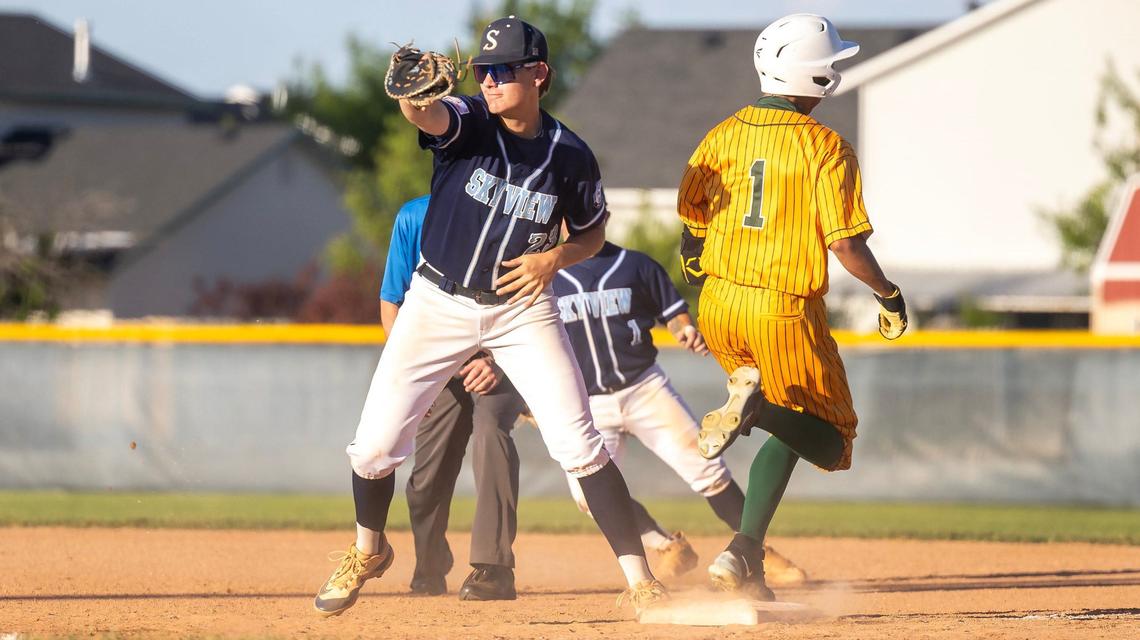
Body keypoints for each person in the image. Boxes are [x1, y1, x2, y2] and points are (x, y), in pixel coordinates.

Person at [314, 16, 666, 618]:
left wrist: (555, 257)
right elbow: (429, 116)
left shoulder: (570, 155)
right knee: (372, 450)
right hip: (436, 302)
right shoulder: (471, 120)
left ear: (539, 73)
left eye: (504, 69)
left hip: (521, 311)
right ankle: (367, 550)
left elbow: (590, 233)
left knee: (580, 446)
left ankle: (642, 581)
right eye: (484, 70)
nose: (490, 80)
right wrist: (411, 98)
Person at [676, 13, 907, 600]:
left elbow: (691, 226)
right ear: (817, 74)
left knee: (794, 416)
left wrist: (703, 272)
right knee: (830, 436)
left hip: (719, 304)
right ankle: (753, 412)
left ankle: (745, 558)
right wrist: (888, 294)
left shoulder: (720, 135)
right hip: (780, 308)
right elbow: (846, 245)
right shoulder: (825, 146)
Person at [551, 240, 808, 584]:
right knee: (587, 494)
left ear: (601, 216)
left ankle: (755, 552)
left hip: (644, 388)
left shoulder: (634, 264)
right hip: (588, 400)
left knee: (707, 468)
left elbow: (673, 313)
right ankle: (668, 546)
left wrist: (684, 328)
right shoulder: (547, 274)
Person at [379, 195, 526, 601]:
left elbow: (535, 301)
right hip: (438, 360)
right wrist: (414, 375)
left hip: (499, 357)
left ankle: (493, 568)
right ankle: (430, 563)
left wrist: (499, 363)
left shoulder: (511, 214)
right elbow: (392, 303)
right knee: (427, 476)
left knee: (490, 434)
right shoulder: (415, 216)